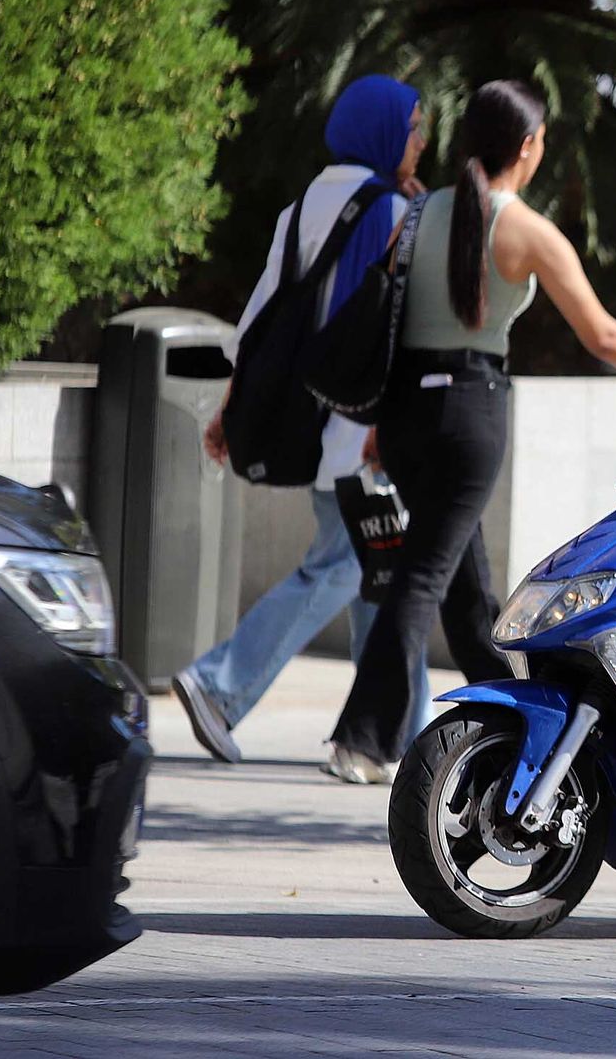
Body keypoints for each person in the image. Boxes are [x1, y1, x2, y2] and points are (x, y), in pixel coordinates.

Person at [324, 80, 616, 782]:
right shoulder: (524, 227)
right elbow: (604, 332)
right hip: (466, 414)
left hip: (403, 417)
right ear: (527, 145)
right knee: (425, 577)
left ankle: (513, 721)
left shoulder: (418, 212)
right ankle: (363, 738)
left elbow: (390, 316)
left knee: (464, 583)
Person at [175, 75, 433, 765]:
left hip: (317, 423)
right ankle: (218, 685)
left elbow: (260, 318)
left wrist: (230, 411)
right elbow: (401, 326)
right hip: (363, 427)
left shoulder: (301, 207)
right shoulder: (392, 212)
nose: (422, 140)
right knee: (350, 567)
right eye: (414, 127)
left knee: (380, 572)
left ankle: (383, 741)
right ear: (381, 132)